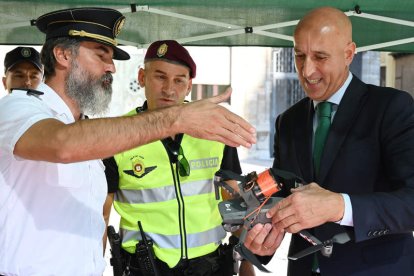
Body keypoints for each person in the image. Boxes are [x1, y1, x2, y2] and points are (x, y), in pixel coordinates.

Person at [0, 8, 256, 276]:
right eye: (101, 55)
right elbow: (60, 144)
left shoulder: (87, 130)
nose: (111, 67)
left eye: (112, 58)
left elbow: (95, 222)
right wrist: (176, 118)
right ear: (63, 55)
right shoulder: (17, 108)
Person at [243, 6, 414, 276]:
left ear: (349, 54)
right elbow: (280, 197)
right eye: (299, 55)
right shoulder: (287, 121)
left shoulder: (391, 108)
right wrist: (259, 245)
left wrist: (339, 206)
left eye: (320, 57)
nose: (307, 70)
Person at [103, 40, 255, 276]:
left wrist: (247, 265)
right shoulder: (118, 135)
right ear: (142, 77)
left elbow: (234, 205)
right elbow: (101, 216)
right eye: (160, 77)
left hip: (210, 267)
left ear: (189, 85)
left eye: (178, 80)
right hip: (145, 268)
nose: (169, 89)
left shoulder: (216, 131)